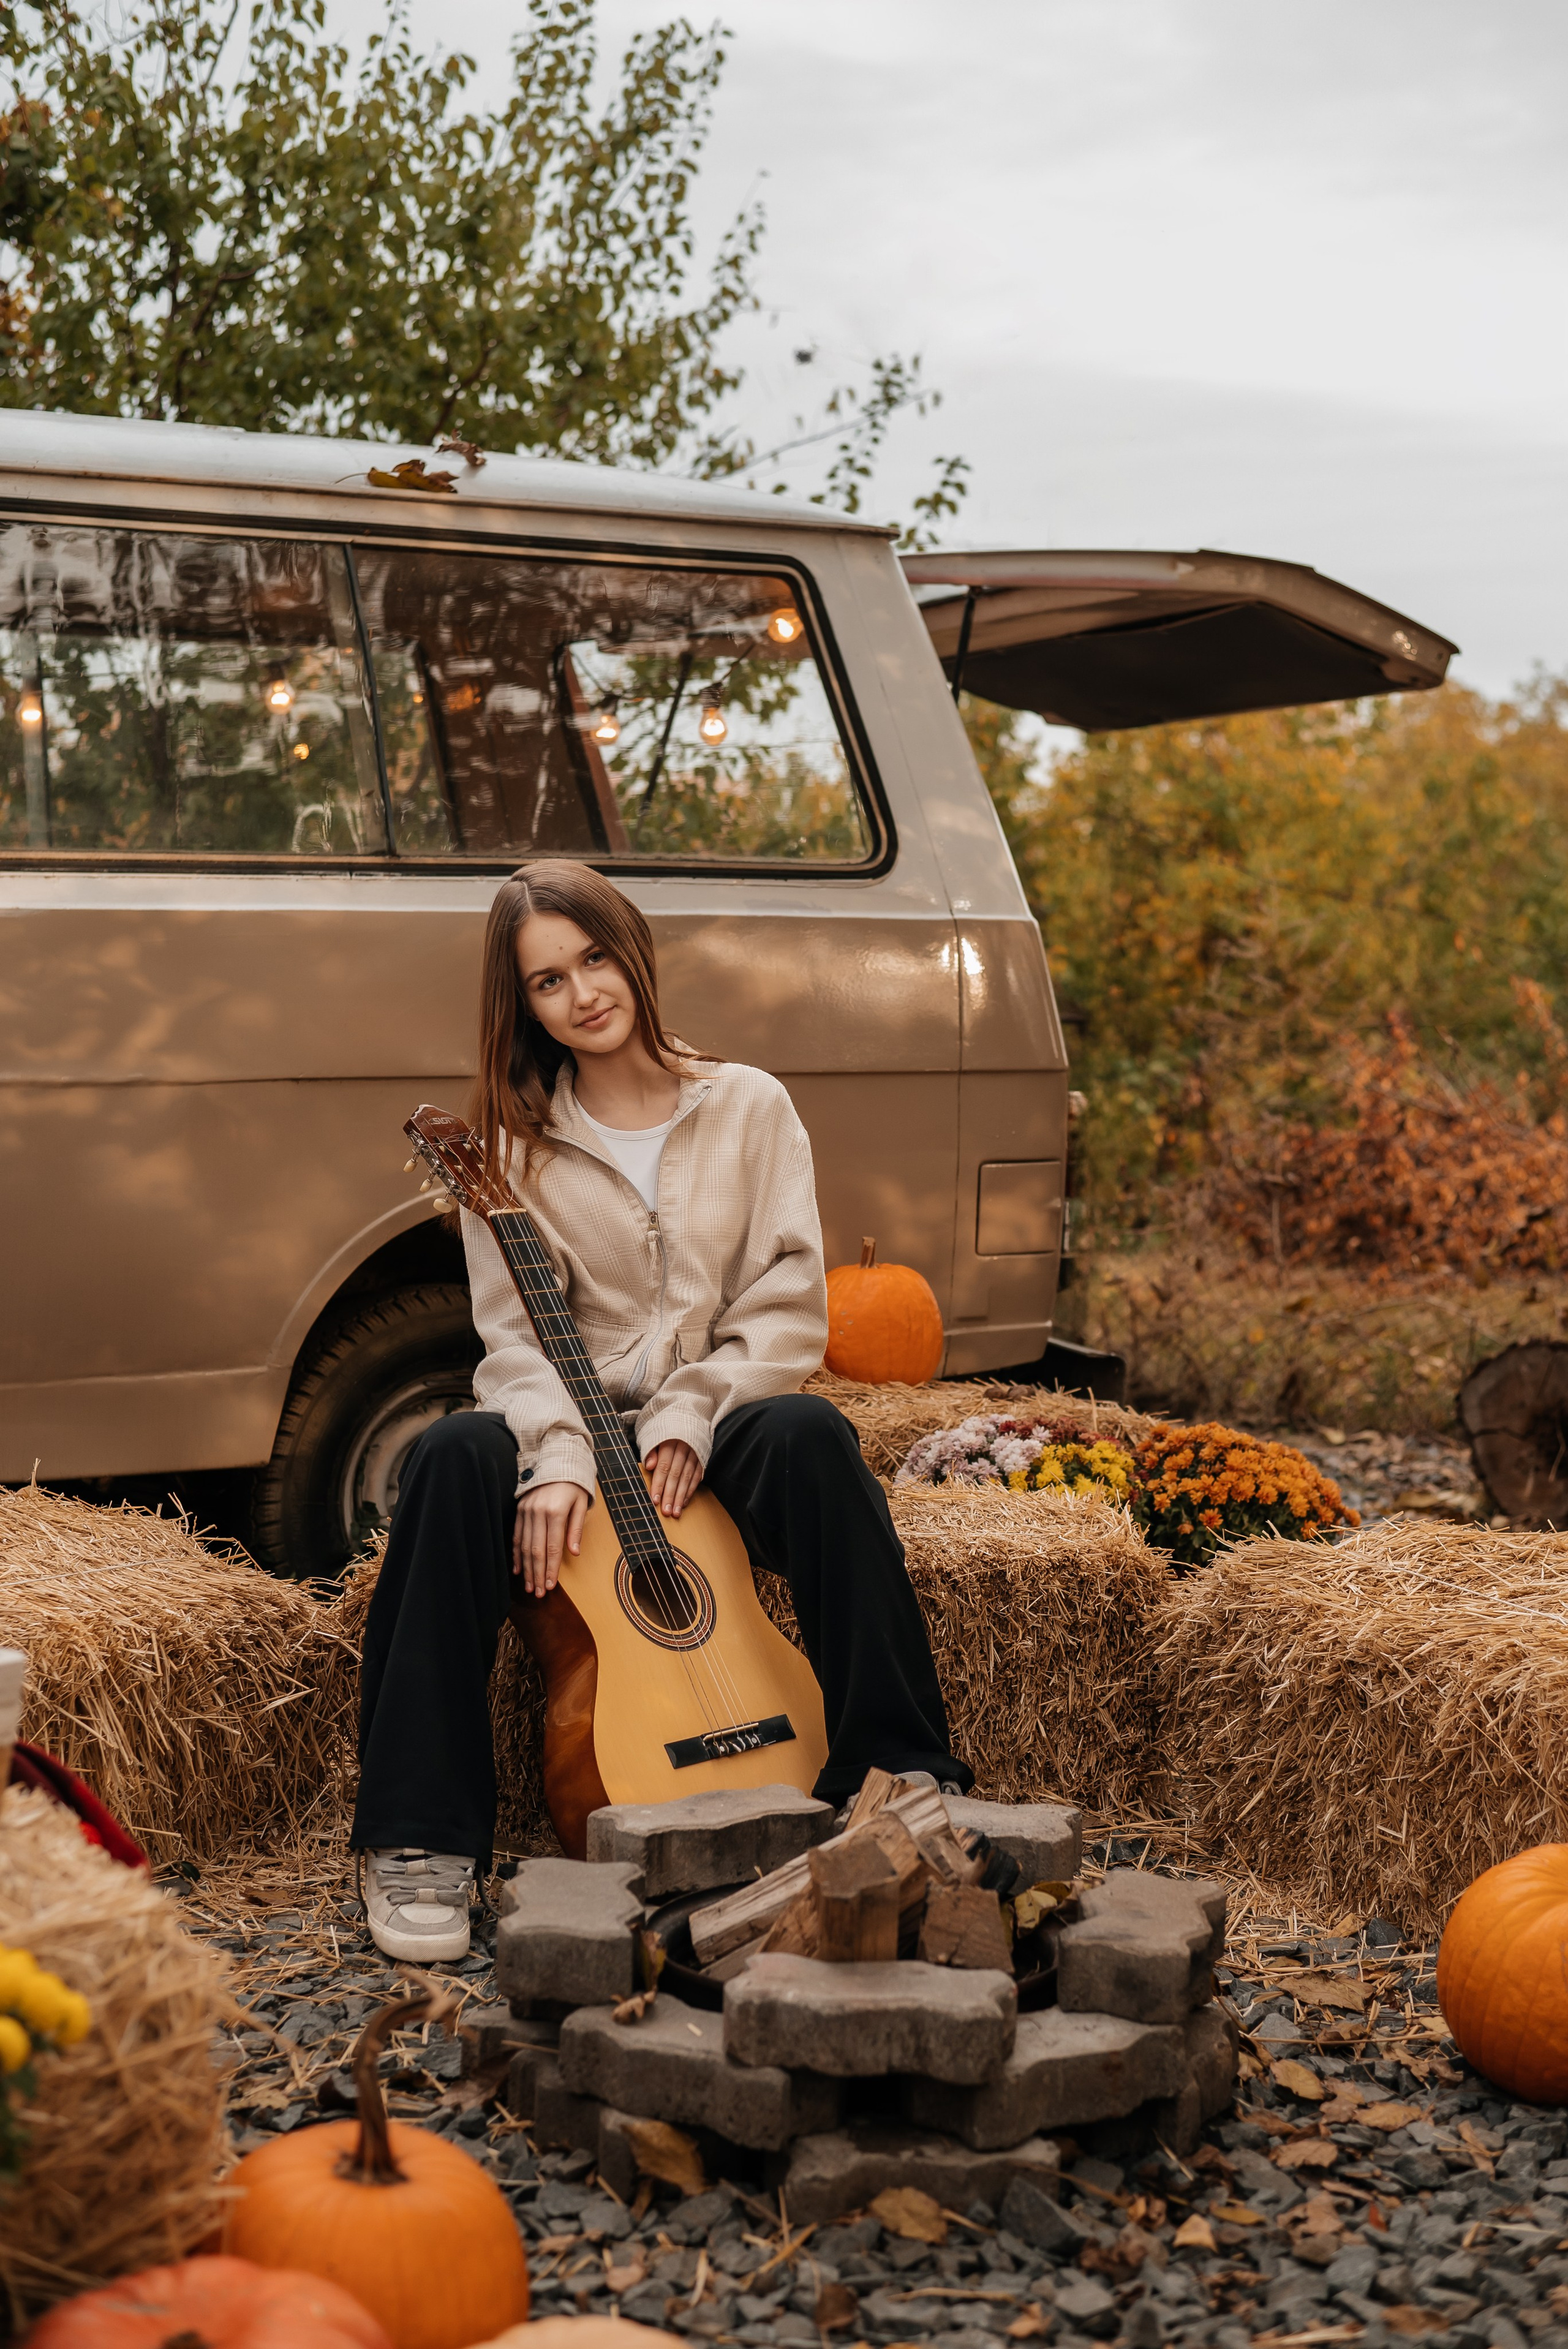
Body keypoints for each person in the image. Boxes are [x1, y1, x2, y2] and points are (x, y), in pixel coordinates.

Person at [351, 859, 970, 1961]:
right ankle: (419, 1840)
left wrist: (692, 1407)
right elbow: (514, 1341)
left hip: (711, 1418)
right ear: (523, 1006)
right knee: (449, 1458)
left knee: (815, 1436)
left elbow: (786, 1304)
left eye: (593, 958)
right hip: (573, 1415)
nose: (582, 994)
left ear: (631, 950)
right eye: (547, 981)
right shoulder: (509, 1149)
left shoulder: (750, 1106)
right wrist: (558, 1457)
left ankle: (901, 1770)